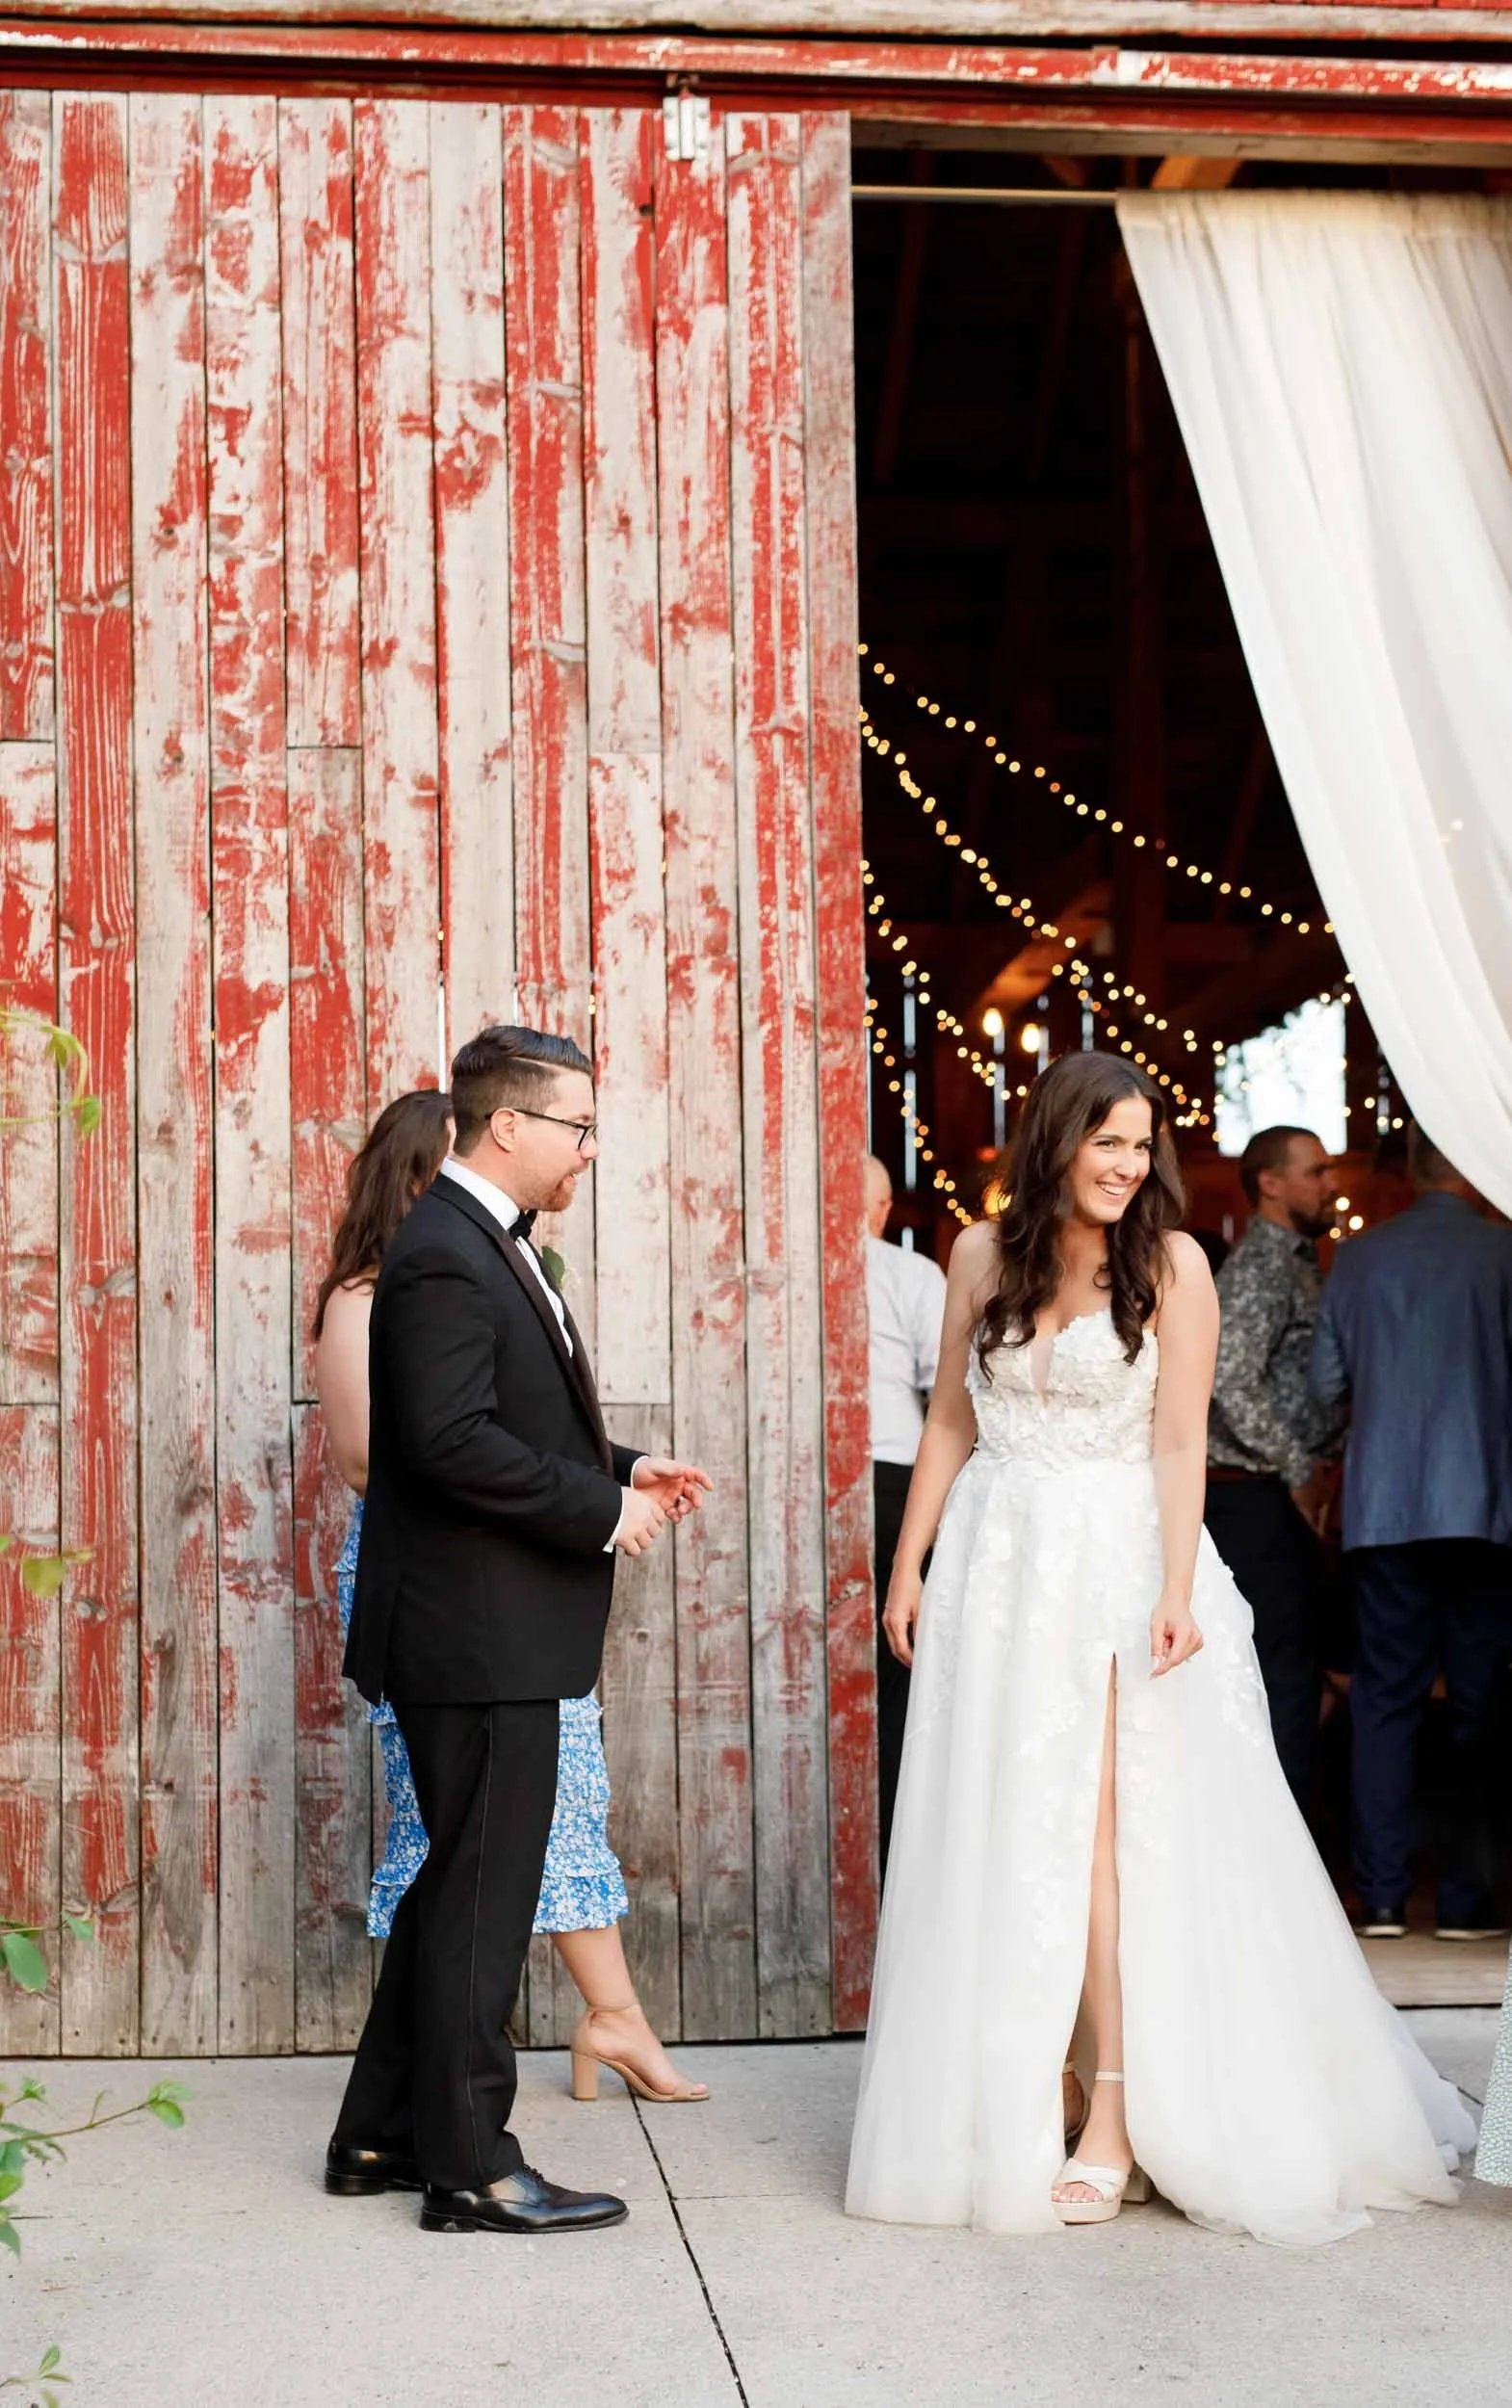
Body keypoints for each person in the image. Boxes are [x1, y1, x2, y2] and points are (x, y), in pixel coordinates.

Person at [846, 1051, 1473, 2246]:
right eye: (1108, 1143)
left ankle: (1117, 2114)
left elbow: (1180, 1441)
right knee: (1004, 1817)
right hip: (996, 1557)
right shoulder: (980, 1255)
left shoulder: (1175, 1264)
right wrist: (908, 1561)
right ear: (1058, 1141)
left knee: (1099, 1836)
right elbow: (944, 1420)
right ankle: (1042, 2077)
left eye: (1143, 1146)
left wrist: (1178, 1586)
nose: (1129, 1166)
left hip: (1116, 1562)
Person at [326, 1026, 711, 2237]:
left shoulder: (480, 1243)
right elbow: (441, 1445)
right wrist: (606, 1510)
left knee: (457, 1887)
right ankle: (473, 2169)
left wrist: (632, 1462)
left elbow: (503, 1418)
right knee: (485, 1901)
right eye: (578, 1127)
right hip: (476, 1634)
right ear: (510, 1126)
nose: (589, 1149)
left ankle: (380, 2135)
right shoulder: (447, 1250)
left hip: (487, 1630)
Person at [1310, 1127, 1512, 1943]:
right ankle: (1468, 1900)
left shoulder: (1357, 1261)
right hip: (1486, 1507)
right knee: (1480, 1703)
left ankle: (1385, 1897)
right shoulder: (1504, 1255)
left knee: (1384, 1701)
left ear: (1412, 1174)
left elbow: (1326, 1385)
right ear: (1468, 1169)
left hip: (1384, 1511)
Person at [1203, 1125, 1343, 1813]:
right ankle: (1282, 1851)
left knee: (1295, 1673)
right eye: (1316, 1172)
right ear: (1271, 1182)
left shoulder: (1298, 1261)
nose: (1330, 1184)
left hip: (1272, 1491)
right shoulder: (1260, 1265)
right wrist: (1297, 1469)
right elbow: (1228, 1379)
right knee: (1279, 1678)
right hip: (1253, 1497)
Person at [865, 1155, 948, 1873]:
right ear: (882, 1208)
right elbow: (944, 1390)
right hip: (893, 1474)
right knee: (899, 1673)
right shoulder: (908, 1273)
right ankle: (895, 1855)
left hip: (814, 1477)